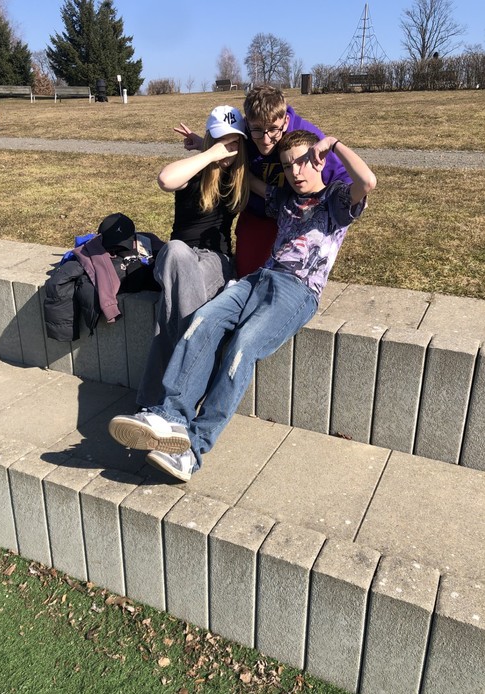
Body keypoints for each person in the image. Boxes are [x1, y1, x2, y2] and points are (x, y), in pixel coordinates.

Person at [108, 130, 377, 481]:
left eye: (303, 162)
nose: (296, 171)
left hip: (298, 292)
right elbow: (246, 176)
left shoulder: (336, 201)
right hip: (258, 279)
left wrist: (335, 144)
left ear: (319, 161)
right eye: (288, 165)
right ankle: (170, 416)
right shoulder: (284, 198)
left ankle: (193, 450)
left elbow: (368, 182)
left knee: (242, 346)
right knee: (203, 320)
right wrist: (208, 147)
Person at [135, 105, 249, 407]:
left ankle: (150, 403)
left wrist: (211, 148)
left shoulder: (240, 175)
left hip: (216, 261)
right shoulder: (196, 169)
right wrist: (208, 153)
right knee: (175, 250)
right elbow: (165, 179)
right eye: (221, 139)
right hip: (178, 258)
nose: (228, 147)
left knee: (170, 313)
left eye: (234, 141)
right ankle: (188, 385)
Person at [175, 85, 351, 277]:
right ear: (248, 123)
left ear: (286, 121)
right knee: (246, 275)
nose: (266, 139)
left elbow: (342, 175)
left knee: (287, 275)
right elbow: (229, 151)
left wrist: (343, 203)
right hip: (256, 212)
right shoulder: (245, 133)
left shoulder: (304, 136)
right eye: (257, 130)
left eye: (273, 129)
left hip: (294, 215)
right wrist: (204, 144)